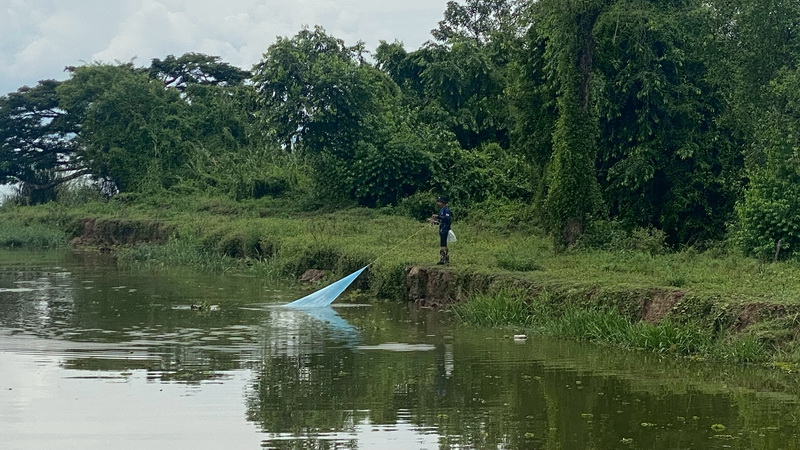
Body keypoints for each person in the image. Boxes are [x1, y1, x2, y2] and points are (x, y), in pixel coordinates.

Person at [430, 196, 452, 265]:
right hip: (442, 228)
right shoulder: (441, 210)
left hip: (445, 228)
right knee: (443, 244)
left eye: (439, 202)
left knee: (443, 244)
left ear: (443, 202)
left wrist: (438, 216)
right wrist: (434, 221)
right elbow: (440, 220)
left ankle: (444, 259)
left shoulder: (446, 209)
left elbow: (447, 218)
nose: (438, 203)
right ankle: (444, 258)